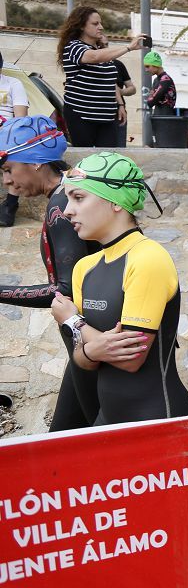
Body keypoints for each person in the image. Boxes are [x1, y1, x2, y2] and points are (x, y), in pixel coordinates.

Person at [50, 152, 188, 424]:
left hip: (157, 419)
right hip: (109, 419)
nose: (68, 210)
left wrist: (73, 323)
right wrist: (94, 348)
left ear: (115, 202)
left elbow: (130, 360)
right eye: (69, 199)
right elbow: (83, 361)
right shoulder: (85, 268)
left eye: (79, 198)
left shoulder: (147, 258)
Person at [0, 116, 102, 430]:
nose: (6, 181)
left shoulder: (62, 208)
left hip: (90, 339)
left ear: (36, 162)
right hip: (86, 338)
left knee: (86, 435)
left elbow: (64, 291)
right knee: (64, 435)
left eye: (7, 169)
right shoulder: (73, 191)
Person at [57, 7, 147, 148]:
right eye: (95, 24)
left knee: (108, 157)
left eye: (100, 23)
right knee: (86, 159)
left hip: (107, 116)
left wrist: (120, 105)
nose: (101, 27)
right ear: (81, 26)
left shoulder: (100, 51)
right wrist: (128, 48)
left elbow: (111, 82)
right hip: (81, 114)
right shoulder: (73, 47)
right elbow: (94, 57)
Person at [0, 50, 30, 227]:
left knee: (16, 150)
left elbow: (20, 118)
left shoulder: (13, 83)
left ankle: (10, 205)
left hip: (8, 132)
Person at [96, 35, 136, 149]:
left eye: (107, 44)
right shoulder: (91, 63)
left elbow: (132, 88)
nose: (104, 47)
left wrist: (120, 92)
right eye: (101, 45)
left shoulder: (118, 65)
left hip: (118, 112)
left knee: (119, 148)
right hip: (98, 112)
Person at [143, 51, 176, 125]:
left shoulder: (165, 80)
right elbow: (152, 99)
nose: (146, 70)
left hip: (166, 120)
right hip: (159, 118)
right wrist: (152, 96)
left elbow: (151, 102)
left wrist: (152, 95)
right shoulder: (156, 80)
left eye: (148, 66)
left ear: (156, 65)